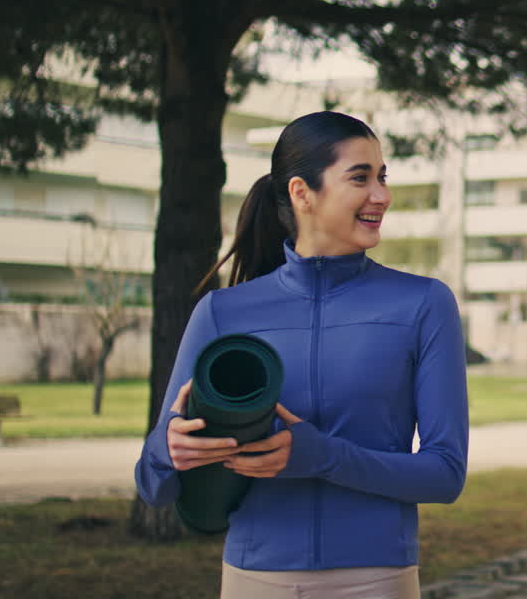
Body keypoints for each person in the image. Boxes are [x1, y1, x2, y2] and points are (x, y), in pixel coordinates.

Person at [135, 111, 468, 599]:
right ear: (301, 193)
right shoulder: (222, 312)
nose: (382, 195)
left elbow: (445, 474)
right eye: (360, 178)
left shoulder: (423, 304)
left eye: (382, 177)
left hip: (376, 580)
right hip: (253, 579)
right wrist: (168, 450)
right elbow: (153, 485)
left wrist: (324, 457)